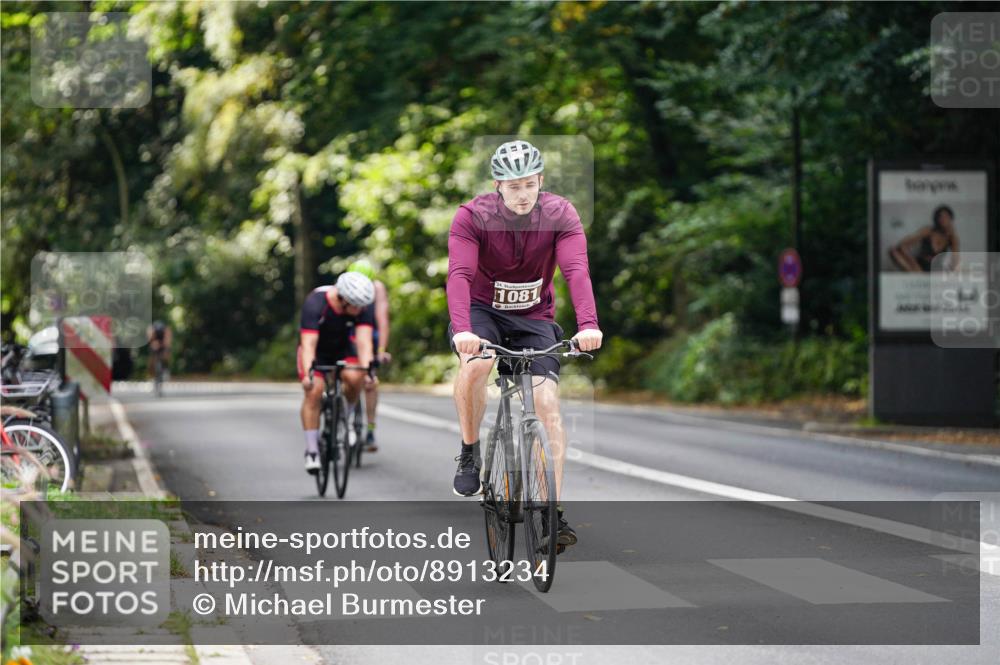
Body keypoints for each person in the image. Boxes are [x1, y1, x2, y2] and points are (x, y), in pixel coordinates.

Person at [446, 139, 603, 552]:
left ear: (541, 182)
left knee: (548, 406)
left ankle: (551, 512)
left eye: (529, 185)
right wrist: (463, 331)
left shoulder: (560, 215)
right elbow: (459, 275)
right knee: (477, 365)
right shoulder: (472, 217)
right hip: (482, 314)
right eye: (513, 186)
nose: (522, 194)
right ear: (498, 184)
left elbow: (576, 270)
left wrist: (588, 323)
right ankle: (469, 450)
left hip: (534, 318)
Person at [298, 271, 377, 474]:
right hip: (317, 350)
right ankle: (312, 450)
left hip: (343, 348)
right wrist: (308, 374)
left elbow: (364, 342)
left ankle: (345, 416)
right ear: (342, 299)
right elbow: (308, 344)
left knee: (355, 376)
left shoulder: (363, 305)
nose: (360, 310)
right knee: (314, 390)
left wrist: (369, 371)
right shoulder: (316, 302)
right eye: (356, 306)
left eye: (363, 306)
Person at [347, 259, 391, 452]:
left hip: (369, 332)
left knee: (370, 381)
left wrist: (381, 350)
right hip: (348, 330)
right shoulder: (344, 285)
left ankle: (370, 428)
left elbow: (382, 319)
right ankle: (343, 417)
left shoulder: (377, 288)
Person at [889, 205, 961, 273]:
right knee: (893, 251)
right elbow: (903, 243)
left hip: (936, 269)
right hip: (920, 266)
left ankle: (919, 275)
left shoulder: (952, 237)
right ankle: (918, 274)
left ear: (951, 219)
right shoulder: (928, 231)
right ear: (936, 219)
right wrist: (913, 262)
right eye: (940, 217)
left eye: (946, 217)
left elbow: (955, 261)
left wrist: (953, 236)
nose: (943, 220)